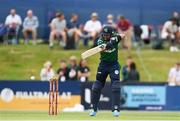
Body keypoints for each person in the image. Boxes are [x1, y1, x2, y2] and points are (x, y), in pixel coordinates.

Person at [89, 26, 125, 117]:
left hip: (114, 65)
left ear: (111, 34)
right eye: (104, 35)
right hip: (103, 65)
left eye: (107, 35)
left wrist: (114, 40)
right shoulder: (100, 41)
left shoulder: (114, 37)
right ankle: (94, 108)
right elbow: (104, 47)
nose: (105, 36)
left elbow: (123, 35)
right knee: (97, 86)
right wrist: (110, 43)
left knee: (116, 86)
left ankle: (115, 109)